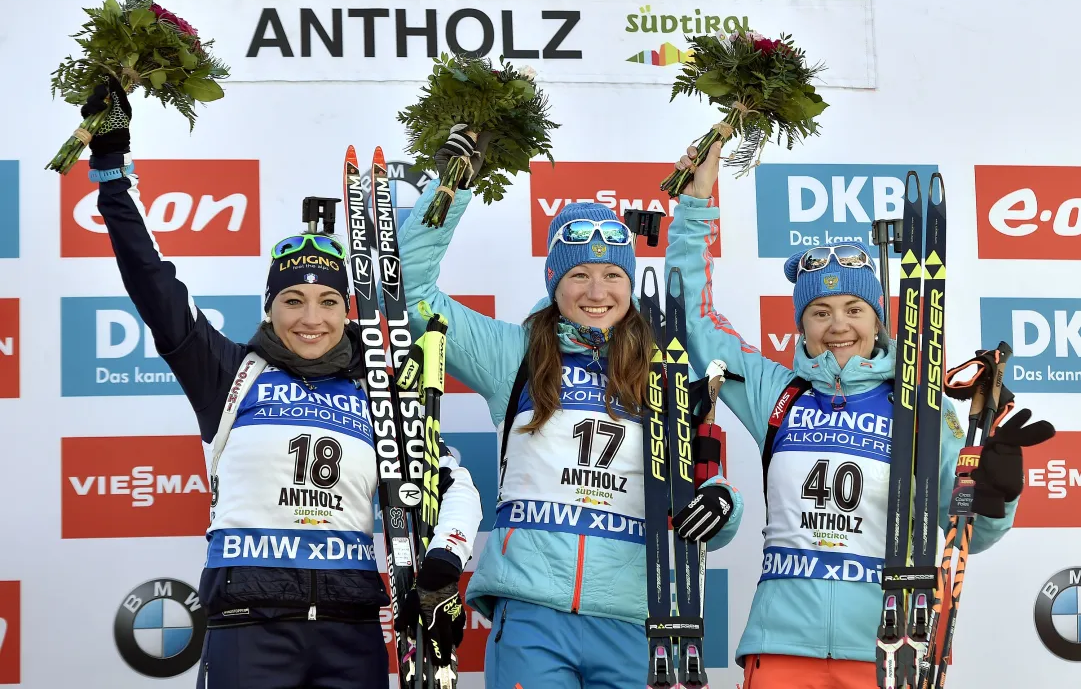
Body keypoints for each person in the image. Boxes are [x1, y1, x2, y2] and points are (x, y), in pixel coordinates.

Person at [80, 79, 482, 689]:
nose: (311, 319)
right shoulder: (228, 372)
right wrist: (112, 173)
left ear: (348, 310)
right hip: (248, 626)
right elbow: (153, 283)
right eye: (292, 301)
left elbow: (456, 484)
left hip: (352, 632)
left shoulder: (380, 388)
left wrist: (445, 558)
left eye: (327, 301)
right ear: (269, 309)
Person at [664, 142, 1056, 689]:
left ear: (879, 320)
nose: (838, 325)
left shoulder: (918, 406)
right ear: (802, 324)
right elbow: (694, 320)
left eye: (854, 310)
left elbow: (968, 533)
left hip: (888, 645)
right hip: (780, 643)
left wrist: (995, 497)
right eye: (819, 312)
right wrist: (697, 200)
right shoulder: (775, 393)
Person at [396, 126, 745, 689]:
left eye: (612, 275)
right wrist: (453, 186)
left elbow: (706, 496)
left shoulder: (666, 368)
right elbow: (411, 293)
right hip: (533, 610)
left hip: (637, 615)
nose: (596, 290)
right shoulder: (513, 353)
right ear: (555, 282)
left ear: (630, 284)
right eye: (579, 274)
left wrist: (721, 505)